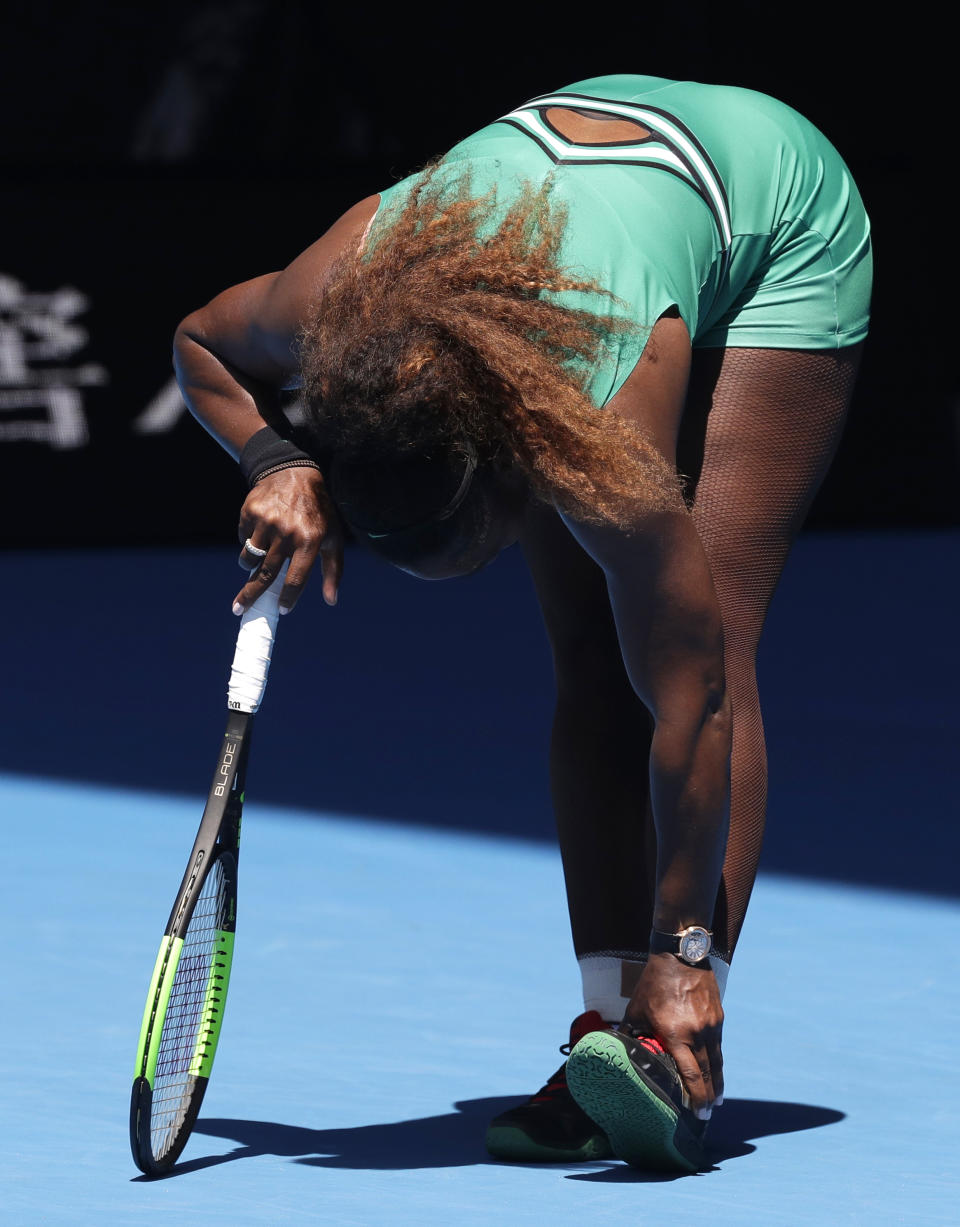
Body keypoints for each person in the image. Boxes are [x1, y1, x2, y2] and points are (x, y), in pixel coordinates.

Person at [174, 73, 871, 1171]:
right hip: (583, 225)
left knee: (706, 637)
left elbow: (699, 699)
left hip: (775, 202)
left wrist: (683, 949)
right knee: (591, 663)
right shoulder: (328, 298)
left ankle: (679, 1028)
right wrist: (278, 458)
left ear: (515, 460)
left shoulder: (594, 402)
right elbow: (200, 345)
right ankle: (608, 1029)